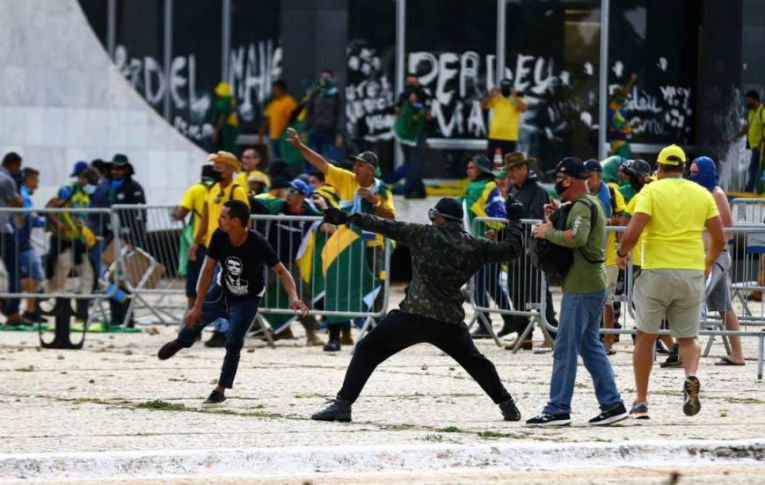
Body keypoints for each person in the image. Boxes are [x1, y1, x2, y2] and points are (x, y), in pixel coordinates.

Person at [311, 197, 525, 422]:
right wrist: (515, 221)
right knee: (476, 363)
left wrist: (347, 218)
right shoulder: (474, 245)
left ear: (439, 217)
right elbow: (511, 250)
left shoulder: (423, 234)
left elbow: (383, 225)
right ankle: (507, 405)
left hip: (413, 316)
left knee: (367, 349)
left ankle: (342, 405)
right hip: (449, 321)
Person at [158, 200, 309, 406]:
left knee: (234, 341)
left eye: (222, 217)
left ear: (236, 221)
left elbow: (282, 271)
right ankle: (181, 342)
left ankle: (220, 390)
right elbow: (208, 269)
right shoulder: (219, 236)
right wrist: (197, 305)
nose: (218, 220)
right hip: (222, 290)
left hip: (248, 298)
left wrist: (294, 297)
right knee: (195, 320)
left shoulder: (257, 242)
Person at [618, 144, 725, 419]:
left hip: (656, 271)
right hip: (691, 270)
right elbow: (720, 238)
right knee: (688, 338)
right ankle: (691, 375)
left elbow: (633, 231)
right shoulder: (702, 194)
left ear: (660, 168)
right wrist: (708, 262)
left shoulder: (651, 191)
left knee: (646, 336)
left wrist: (621, 254)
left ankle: (641, 402)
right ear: (683, 167)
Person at [527, 158, 627, 427]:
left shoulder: (583, 205)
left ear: (568, 180)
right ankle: (612, 404)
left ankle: (558, 408)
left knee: (565, 347)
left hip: (582, 289)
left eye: (559, 177)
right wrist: (557, 216)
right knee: (590, 346)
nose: (556, 182)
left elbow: (578, 237)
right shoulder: (585, 204)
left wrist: (548, 233)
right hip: (589, 285)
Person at [286, 127, 395, 351]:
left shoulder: (382, 189)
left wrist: (375, 202)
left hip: (372, 245)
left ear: (371, 169)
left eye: (360, 165)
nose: (354, 168)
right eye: (354, 164)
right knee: (338, 287)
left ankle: (373, 337)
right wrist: (299, 147)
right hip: (345, 244)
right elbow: (321, 163)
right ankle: (335, 337)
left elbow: (391, 217)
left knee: (374, 289)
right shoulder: (347, 179)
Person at [250, 179, 325, 346]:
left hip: (289, 264)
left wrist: (323, 207)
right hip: (268, 261)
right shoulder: (277, 205)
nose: (289, 194)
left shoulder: (309, 212)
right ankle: (233, 328)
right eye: (288, 190)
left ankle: (311, 334)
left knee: (301, 296)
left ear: (303, 196)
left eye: (294, 192)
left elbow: (330, 227)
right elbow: (255, 204)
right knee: (249, 292)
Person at [688, 157, 745, 366]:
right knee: (725, 308)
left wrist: (709, 253)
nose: (692, 176)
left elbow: (727, 230)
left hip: (716, 257)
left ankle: (684, 350)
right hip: (711, 255)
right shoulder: (703, 194)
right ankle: (737, 354)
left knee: (693, 298)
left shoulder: (716, 194)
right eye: (690, 172)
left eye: (695, 172)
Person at [191, 151, 251, 347]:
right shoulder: (212, 188)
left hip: (230, 247)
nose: (215, 169)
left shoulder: (237, 190)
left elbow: (245, 220)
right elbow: (206, 218)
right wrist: (196, 241)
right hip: (212, 246)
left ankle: (223, 331)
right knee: (213, 289)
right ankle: (219, 329)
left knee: (221, 291)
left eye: (219, 166)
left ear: (230, 169)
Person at [503, 151, 557, 347]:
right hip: (516, 249)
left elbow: (534, 218)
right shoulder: (514, 191)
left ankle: (551, 334)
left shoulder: (537, 191)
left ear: (525, 168)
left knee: (539, 292)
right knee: (515, 291)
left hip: (532, 250)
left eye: (515, 168)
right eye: (510, 169)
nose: (511, 172)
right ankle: (524, 335)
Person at [461, 154, 514, 339]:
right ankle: (511, 319)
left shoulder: (487, 188)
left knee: (480, 285)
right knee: (491, 285)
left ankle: (485, 324)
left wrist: (496, 234)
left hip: (488, 246)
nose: (468, 171)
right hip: (479, 246)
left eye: (472, 168)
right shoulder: (476, 188)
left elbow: (499, 217)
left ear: (481, 170)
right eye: (468, 167)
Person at [45, 167, 100, 317]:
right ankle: (38, 300)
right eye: (92, 182)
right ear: (82, 179)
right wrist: (58, 225)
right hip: (61, 240)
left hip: (77, 241)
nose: (94, 186)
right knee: (60, 275)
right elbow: (50, 209)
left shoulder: (86, 196)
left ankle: (81, 314)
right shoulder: (68, 190)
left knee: (88, 275)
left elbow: (80, 218)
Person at [584, 159, 624, 354]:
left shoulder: (613, 193)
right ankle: (589, 337)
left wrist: (607, 221)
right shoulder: (581, 194)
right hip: (586, 254)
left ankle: (608, 339)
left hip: (608, 254)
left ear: (598, 175)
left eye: (588, 176)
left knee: (607, 300)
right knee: (587, 299)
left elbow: (624, 219)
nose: (586, 180)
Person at [173, 164, 216, 309]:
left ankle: (193, 319)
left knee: (194, 283)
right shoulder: (220, 190)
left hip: (200, 243)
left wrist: (174, 212)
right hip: (218, 242)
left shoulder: (196, 190)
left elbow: (180, 214)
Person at [394, 73, 432, 199]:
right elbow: (397, 112)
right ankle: (414, 190)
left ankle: (413, 190)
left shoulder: (424, 95)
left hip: (418, 134)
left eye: (413, 83)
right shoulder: (403, 97)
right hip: (405, 134)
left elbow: (428, 114)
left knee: (415, 163)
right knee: (410, 163)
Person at [17, 168, 46, 322]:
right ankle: (8, 295)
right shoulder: (24, 195)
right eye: (35, 181)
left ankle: (31, 310)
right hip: (21, 242)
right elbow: (29, 218)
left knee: (31, 276)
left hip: (21, 242)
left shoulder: (23, 194)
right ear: (28, 180)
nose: (37, 185)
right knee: (36, 276)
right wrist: (49, 222)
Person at [482, 79, 528, 159]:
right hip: (494, 135)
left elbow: (523, 109)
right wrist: (491, 95)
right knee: (488, 163)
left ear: (512, 88)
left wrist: (514, 96)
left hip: (510, 137)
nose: (505, 90)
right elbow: (483, 105)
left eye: (507, 88)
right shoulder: (496, 98)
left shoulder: (517, 98)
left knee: (508, 165)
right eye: (504, 88)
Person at [304, 69, 343, 162]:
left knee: (332, 159)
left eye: (327, 77)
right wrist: (305, 130)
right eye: (323, 77)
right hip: (315, 130)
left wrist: (339, 133)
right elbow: (309, 111)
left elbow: (339, 113)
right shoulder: (315, 92)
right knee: (313, 158)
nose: (325, 79)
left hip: (330, 130)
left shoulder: (335, 94)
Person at [733, 90, 765, 193]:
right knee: (754, 169)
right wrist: (736, 137)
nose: (747, 103)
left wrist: (762, 142)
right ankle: (752, 189)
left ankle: (752, 189)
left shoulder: (762, 110)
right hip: (755, 147)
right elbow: (747, 128)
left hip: (762, 146)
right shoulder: (751, 112)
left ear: (755, 100)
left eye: (749, 100)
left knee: (756, 169)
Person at [259, 80, 298, 160]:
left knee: (285, 159)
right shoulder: (273, 103)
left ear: (281, 88)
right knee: (274, 159)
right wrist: (261, 132)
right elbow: (267, 118)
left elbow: (293, 119)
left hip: (284, 137)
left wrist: (287, 132)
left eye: (274, 88)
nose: (273, 91)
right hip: (273, 137)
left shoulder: (289, 101)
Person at [607, 73, 638, 159]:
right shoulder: (614, 107)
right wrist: (631, 81)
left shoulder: (618, 110)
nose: (625, 96)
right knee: (624, 166)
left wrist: (633, 126)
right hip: (620, 144)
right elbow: (624, 93)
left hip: (617, 143)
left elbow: (621, 127)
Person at [210, 82, 240, 153]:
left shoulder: (225, 102)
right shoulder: (231, 100)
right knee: (230, 149)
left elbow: (222, 117)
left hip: (226, 128)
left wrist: (216, 131)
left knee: (226, 150)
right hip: (231, 127)